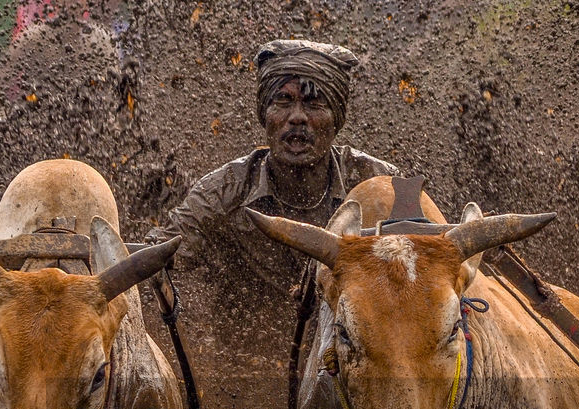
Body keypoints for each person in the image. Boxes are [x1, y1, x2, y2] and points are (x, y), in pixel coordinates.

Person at [147, 39, 398, 330]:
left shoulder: (379, 184)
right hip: (246, 356)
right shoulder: (224, 191)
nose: (297, 117)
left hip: (348, 355)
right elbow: (165, 247)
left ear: (337, 118)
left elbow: (430, 259)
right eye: (283, 101)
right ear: (264, 114)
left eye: (314, 103)